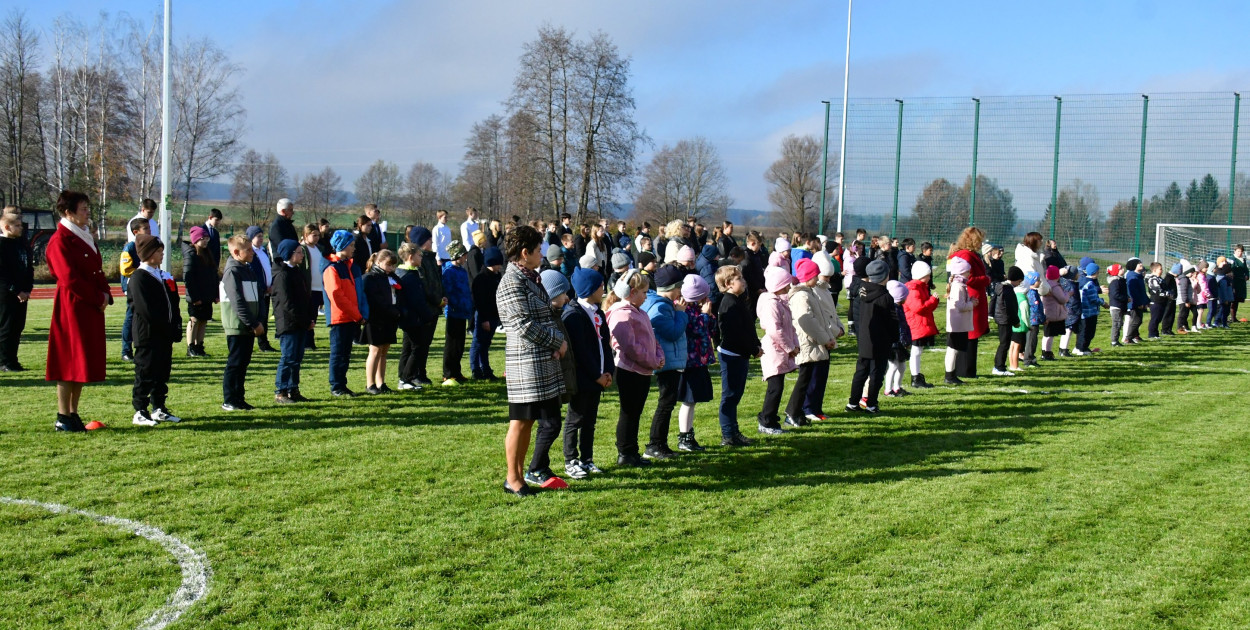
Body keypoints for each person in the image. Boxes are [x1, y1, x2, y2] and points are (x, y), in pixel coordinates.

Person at [498, 226, 569, 496]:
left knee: (528, 421)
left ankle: (518, 476)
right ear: (525, 253)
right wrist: (556, 341)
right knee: (520, 421)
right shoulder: (511, 281)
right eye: (538, 250)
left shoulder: (529, 276)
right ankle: (512, 478)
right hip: (526, 363)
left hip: (540, 361)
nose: (542, 254)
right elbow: (522, 325)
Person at [46, 191, 112, 432]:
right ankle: (62, 415)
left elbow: (97, 270)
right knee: (68, 362)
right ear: (68, 213)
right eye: (83, 209)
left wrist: (105, 294)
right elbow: (69, 278)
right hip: (72, 306)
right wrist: (97, 297)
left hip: (89, 306)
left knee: (82, 361)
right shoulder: (60, 240)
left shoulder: (84, 236)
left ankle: (73, 413)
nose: (87, 213)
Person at [525, 269, 577, 489]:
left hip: (557, 378)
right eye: (562, 294)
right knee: (551, 424)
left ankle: (542, 465)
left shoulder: (556, 314)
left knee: (549, 424)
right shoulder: (546, 317)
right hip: (546, 378)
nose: (566, 298)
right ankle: (535, 468)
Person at [607, 270, 664, 467]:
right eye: (644, 292)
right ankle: (625, 453)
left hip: (644, 371)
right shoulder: (621, 315)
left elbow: (651, 338)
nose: (646, 296)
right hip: (629, 372)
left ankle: (633, 451)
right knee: (629, 413)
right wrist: (651, 360)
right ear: (632, 292)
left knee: (636, 412)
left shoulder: (641, 312)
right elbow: (630, 347)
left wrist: (659, 355)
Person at [561, 267, 614, 478]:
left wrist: (609, 371)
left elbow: (606, 344)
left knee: (590, 420)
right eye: (600, 285)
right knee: (575, 419)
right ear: (590, 289)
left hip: (600, 375)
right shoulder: (574, 315)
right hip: (583, 378)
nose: (603, 289)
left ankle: (587, 458)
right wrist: (596, 375)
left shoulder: (598, 311)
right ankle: (570, 459)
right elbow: (581, 352)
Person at [128, 234, 182, 426]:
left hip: (164, 335)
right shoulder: (139, 277)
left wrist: (175, 325)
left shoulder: (162, 276)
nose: (162, 254)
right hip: (148, 335)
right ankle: (140, 410)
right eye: (158, 251)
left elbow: (173, 304)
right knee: (145, 371)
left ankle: (159, 407)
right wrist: (163, 327)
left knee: (162, 372)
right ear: (148, 253)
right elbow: (145, 309)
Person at [641, 265, 689, 459]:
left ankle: (661, 443)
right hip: (666, 363)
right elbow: (672, 332)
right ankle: (655, 444)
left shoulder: (663, 304)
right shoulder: (660, 307)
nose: (681, 292)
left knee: (667, 404)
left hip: (670, 361)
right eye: (679, 287)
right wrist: (681, 313)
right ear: (673, 287)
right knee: (665, 404)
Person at [844, 259, 896, 412]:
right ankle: (871, 404)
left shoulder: (862, 292)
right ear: (885, 276)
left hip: (865, 338)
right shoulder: (885, 297)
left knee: (861, 371)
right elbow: (891, 321)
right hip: (880, 340)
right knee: (876, 373)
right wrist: (894, 338)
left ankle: (853, 403)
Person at [787, 258, 835, 424]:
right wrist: (824, 338)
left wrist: (829, 336)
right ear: (809, 277)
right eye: (815, 275)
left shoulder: (810, 293)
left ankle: (810, 409)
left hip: (817, 341)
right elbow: (807, 321)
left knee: (815, 378)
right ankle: (799, 411)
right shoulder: (801, 296)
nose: (818, 278)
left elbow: (820, 318)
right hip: (809, 343)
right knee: (806, 379)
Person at [714, 266, 758, 447]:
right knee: (730, 396)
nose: (744, 281)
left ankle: (734, 431)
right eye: (739, 278)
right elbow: (735, 334)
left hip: (741, 353)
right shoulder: (729, 303)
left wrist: (756, 344)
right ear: (728, 284)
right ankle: (728, 435)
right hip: (732, 354)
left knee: (736, 395)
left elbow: (748, 327)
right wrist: (753, 349)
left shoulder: (738, 300)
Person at [220, 234, 264, 411]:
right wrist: (253, 323)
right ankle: (230, 399)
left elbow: (257, 297)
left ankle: (239, 398)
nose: (253, 252)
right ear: (237, 252)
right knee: (235, 363)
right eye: (249, 250)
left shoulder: (247, 268)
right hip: (237, 326)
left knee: (243, 363)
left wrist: (259, 319)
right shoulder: (232, 272)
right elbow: (237, 301)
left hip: (249, 325)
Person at [675, 274, 716, 451]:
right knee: (688, 400)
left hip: (698, 360)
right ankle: (684, 437)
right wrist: (705, 315)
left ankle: (689, 435)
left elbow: (710, 328)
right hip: (690, 362)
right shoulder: (685, 310)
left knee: (693, 401)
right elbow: (696, 328)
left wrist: (708, 315)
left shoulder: (695, 308)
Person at [324, 229, 366, 397]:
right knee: (338, 354)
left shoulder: (347, 266)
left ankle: (342, 384)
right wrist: (357, 314)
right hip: (340, 318)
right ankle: (336, 386)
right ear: (342, 246)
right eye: (351, 245)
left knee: (345, 354)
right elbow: (337, 296)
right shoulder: (333, 269)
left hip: (350, 317)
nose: (354, 248)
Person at [802, 251, 845, 417]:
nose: (827, 280)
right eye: (824, 277)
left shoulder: (825, 290)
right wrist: (834, 331)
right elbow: (820, 318)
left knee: (822, 376)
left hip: (828, 336)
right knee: (814, 375)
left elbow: (832, 312)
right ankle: (808, 408)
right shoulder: (813, 292)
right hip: (819, 337)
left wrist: (838, 327)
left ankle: (816, 407)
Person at [271, 239, 314, 404]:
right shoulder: (282, 274)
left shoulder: (296, 271)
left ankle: (293, 389)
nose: (302, 255)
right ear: (289, 254)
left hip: (301, 322)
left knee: (297, 357)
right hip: (288, 323)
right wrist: (303, 320)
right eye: (298, 252)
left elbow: (305, 297)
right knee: (288, 357)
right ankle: (280, 391)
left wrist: (309, 318)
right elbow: (287, 303)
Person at [757, 266, 799, 430]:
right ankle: (766, 420)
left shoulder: (780, 302)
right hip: (774, 350)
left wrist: (794, 345)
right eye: (787, 284)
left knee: (778, 386)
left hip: (780, 349)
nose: (789, 287)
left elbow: (790, 327)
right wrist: (790, 347)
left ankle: (771, 418)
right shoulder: (771, 304)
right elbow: (775, 330)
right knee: (775, 387)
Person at [948, 228, 990, 377]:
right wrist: (986, 279)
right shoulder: (966, 255)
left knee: (971, 335)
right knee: (970, 334)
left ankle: (968, 369)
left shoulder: (968, 254)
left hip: (973, 296)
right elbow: (968, 278)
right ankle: (966, 370)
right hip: (971, 297)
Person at [360, 250, 401, 395]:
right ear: (378, 262)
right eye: (388, 265)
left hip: (390, 318)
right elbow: (374, 300)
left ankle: (381, 382)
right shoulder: (369, 278)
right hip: (376, 319)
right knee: (375, 350)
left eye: (393, 266)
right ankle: (370, 384)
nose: (391, 268)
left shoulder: (389, 277)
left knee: (384, 351)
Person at [395, 242, 434, 390]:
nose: (421, 257)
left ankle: (403, 378)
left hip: (408, 317)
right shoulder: (408, 276)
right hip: (412, 318)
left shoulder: (407, 273)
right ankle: (406, 378)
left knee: (407, 347)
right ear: (411, 257)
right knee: (417, 347)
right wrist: (427, 316)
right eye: (419, 255)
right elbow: (417, 300)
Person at [0, 211, 34, 372]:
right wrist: (16, 290)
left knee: (17, 327)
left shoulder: (21, 244)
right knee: (7, 327)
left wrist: (27, 289)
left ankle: (13, 360)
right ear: (7, 227)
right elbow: (3, 274)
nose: (21, 229)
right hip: (7, 295)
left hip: (22, 294)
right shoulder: (2, 245)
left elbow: (28, 268)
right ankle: (4, 361)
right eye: (17, 226)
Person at [182, 226, 219, 358]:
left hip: (207, 295)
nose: (206, 241)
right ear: (196, 239)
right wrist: (193, 297)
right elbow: (188, 278)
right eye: (203, 238)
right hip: (196, 295)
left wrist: (216, 293)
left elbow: (214, 275)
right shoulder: (191, 255)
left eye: (207, 238)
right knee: (194, 320)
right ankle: (190, 346)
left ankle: (199, 346)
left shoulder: (208, 254)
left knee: (204, 320)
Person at [441, 240, 473, 385]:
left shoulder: (462, 270)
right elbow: (448, 291)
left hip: (463, 311)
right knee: (451, 344)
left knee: (460, 344)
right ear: (457, 256)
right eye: (464, 256)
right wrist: (454, 305)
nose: (466, 258)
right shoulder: (448, 271)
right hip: (454, 311)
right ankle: (448, 372)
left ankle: (457, 371)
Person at [470, 247, 504, 380]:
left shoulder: (496, 277)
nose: (500, 266)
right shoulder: (481, 279)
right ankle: (476, 369)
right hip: (484, 316)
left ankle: (486, 369)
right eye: (498, 263)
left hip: (494, 315)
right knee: (478, 343)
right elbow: (479, 302)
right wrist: (484, 319)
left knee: (486, 343)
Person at [903, 261, 938, 388]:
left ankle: (916, 376)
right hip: (916, 324)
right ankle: (915, 377)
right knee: (916, 351)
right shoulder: (914, 289)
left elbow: (926, 308)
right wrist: (932, 300)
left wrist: (933, 301)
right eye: (928, 275)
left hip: (920, 323)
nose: (929, 278)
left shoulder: (921, 287)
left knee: (918, 351)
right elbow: (919, 308)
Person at [119, 217, 150, 362]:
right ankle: (126, 350)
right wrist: (142, 271)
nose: (149, 231)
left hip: (144, 285)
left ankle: (142, 348)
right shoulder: (130, 247)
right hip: (132, 286)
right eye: (146, 229)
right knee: (130, 317)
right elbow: (125, 269)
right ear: (136, 232)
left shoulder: (148, 246)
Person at [944, 256, 976, 385]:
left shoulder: (959, 285)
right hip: (956, 325)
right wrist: (972, 303)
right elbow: (960, 306)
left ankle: (951, 374)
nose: (969, 273)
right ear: (962, 272)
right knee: (953, 349)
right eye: (967, 271)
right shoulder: (958, 286)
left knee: (954, 349)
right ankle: (950, 375)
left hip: (958, 324)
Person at [882, 280, 912, 397]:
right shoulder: (893, 310)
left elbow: (904, 326)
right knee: (893, 366)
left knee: (902, 366)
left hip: (900, 342)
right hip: (895, 343)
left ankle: (897, 387)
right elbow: (898, 328)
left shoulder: (900, 308)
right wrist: (904, 341)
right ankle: (888, 389)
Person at [992, 266, 1024, 376]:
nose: (1019, 284)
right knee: (1004, 344)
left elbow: (993, 301)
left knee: (1003, 343)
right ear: (1015, 279)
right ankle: (999, 367)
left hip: (1000, 317)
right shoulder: (1008, 290)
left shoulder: (1000, 287)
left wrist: (991, 314)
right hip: (1005, 319)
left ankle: (999, 366)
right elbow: (1011, 308)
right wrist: (1016, 321)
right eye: (1019, 281)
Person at [297, 224, 324, 350]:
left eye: (318, 235)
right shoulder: (302, 249)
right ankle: (307, 342)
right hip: (309, 288)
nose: (317, 238)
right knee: (308, 315)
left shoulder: (318, 249)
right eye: (314, 235)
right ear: (306, 235)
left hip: (319, 288)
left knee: (313, 316)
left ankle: (309, 341)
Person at [1039, 265, 1070, 360]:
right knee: (1050, 335)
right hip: (1053, 313)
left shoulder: (1045, 284)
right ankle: (1047, 353)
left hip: (1046, 312)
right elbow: (1062, 299)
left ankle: (1044, 351)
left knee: (1046, 334)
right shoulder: (1055, 286)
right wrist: (1068, 294)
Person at [1078, 264, 1107, 352]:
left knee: (1085, 331)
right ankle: (1082, 349)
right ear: (1096, 272)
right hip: (1089, 312)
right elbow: (1093, 298)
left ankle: (1083, 348)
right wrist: (1103, 303)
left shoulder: (1083, 281)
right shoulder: (1090, 284)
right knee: (1088, 332)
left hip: (1085, 311)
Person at [1124, 258, 1148, 343]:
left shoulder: (1138, 276)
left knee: (1138, 320)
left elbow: (1142, 291)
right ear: (1134, 266)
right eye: (1139, 263)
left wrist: (1146, 301)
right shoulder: (1132, 276)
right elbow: (1133, 293)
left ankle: (1134, 336)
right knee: (1136, 320)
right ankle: (1128, 338)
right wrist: (1138, 303)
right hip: (1134, 303)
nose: (1141, 264)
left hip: (1139, 302)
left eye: (1141, 262)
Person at [1106, 264, 1127, 345]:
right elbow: (1115, 294)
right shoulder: (1115, 282)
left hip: (1119, 305)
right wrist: (1125, 298)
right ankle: (1114, 341)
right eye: (1120, 268)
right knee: (1116, 323)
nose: (1123, 269)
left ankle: (1116, 340)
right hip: (1116, 306)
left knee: (1119, 323)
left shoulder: (1120, 280)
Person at [1175, 261, 1195, 334]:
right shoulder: (1184, 279)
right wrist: (1186, 301)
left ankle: (1184, 327)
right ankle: (1179, 328)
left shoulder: (1186, 279)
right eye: (1192, 272)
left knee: (1185, 314)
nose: (1193, 274)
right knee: (1182, 314)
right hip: (1183, 300)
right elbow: (1183, 291)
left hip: (1185, 300)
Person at [1233, 245, 1248, 322]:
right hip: (1234, 282)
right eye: (1238, 251)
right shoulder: (1232, 260)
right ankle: (1230, 317)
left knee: (1237, 299)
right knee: (1233, 299)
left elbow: (1246, 269)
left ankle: (1234, 317)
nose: (1240, 253)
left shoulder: (1243, 260)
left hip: (1241, 282)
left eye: (1241, 251)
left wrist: (1247, 275)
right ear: (1235, 251)